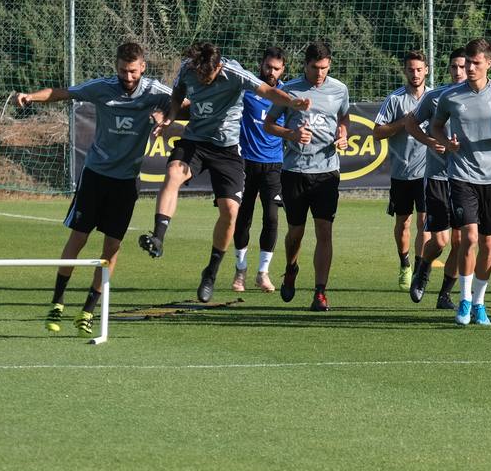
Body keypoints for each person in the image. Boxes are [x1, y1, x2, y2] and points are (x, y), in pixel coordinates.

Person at [16, 43, 172, 335]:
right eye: (124, 71)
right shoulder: (102, 87)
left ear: (143, 68)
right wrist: (30, 97)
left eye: (134, 72)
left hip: (126, 182)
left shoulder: (154, 91)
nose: (128, 77)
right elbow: (62, 93)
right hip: (96, 175)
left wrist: (165, 117)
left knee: (111, 248)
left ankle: (87, 311)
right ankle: (58, 302)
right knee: (78, 238)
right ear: (116, 67)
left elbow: (181, 102)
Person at [138, 42, 308, 303]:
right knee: (173, 172)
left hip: (227, 150)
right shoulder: (187, 69)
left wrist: (293, 102)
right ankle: (158, 237)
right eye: (200, 76)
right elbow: (177, 95)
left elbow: (267, 91)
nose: (203, 81)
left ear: (219, 67)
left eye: (208, 77)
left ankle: (211, 272)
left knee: (231, 212)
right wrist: (171, 116)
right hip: (195, 141)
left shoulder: (235, 73)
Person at [429, 38, 491, 326]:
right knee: (469, 237)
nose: (470, 67)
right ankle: (465, 300)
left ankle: (480, 303)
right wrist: (446, 143)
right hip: (461, 177)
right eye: (467, 62)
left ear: (488, 64)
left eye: (476, 63)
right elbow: (435, 126)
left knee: (488, 243)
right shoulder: (451, 95)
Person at [263, 41, 350, 311]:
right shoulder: (287, 91)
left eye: (324, 68)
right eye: (315, 68)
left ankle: (320, 292)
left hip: (327, 171)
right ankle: (291, 267)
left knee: (325, 231)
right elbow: (269, 124)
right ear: (305, 65)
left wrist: (343, 134)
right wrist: (290, 134)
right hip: (294, 171)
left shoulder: (339, 90)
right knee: (296, 233)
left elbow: (344, 117)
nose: (320, 73)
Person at [406, 49, 468, 310]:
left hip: (466, 177)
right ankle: (422, 269)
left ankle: (445, 294)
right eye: (453, 66)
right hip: (438, 177)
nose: (458, 71)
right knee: (440, 240)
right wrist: (431, 141)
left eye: (462, 67)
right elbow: (410, 124)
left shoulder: (481, 98)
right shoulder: (434, 97)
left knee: (461, 241)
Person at [372, 51, 430, 292]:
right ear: (405, 71)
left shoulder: (435, 97)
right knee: (403, 223)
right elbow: (377, 132)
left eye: (419, 69)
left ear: (426, 70)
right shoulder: (395, 99)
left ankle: (418, 268)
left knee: (425, 222)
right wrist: (402, 123)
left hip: (428, 172)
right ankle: (405, 263)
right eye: (410, 69)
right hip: (402, 172)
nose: (415, 74)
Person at [232, 47, 286, 294]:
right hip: (245, 162)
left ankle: (263, 273)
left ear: (283, 69)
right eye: (268, 66)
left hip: (274, 164)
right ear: (261, 65)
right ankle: (240, 269)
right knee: (243, 216)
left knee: (272, 217)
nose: (271, 71)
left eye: (276, 68)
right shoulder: (247, 89)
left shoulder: (288, 94)